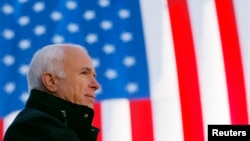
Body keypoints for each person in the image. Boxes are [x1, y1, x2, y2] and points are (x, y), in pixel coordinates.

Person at [4, 43, 100, 141]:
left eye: (93, 76)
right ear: (51, 81)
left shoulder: (60, 127)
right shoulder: (33, 127)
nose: (96, 85)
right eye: (84, 73)